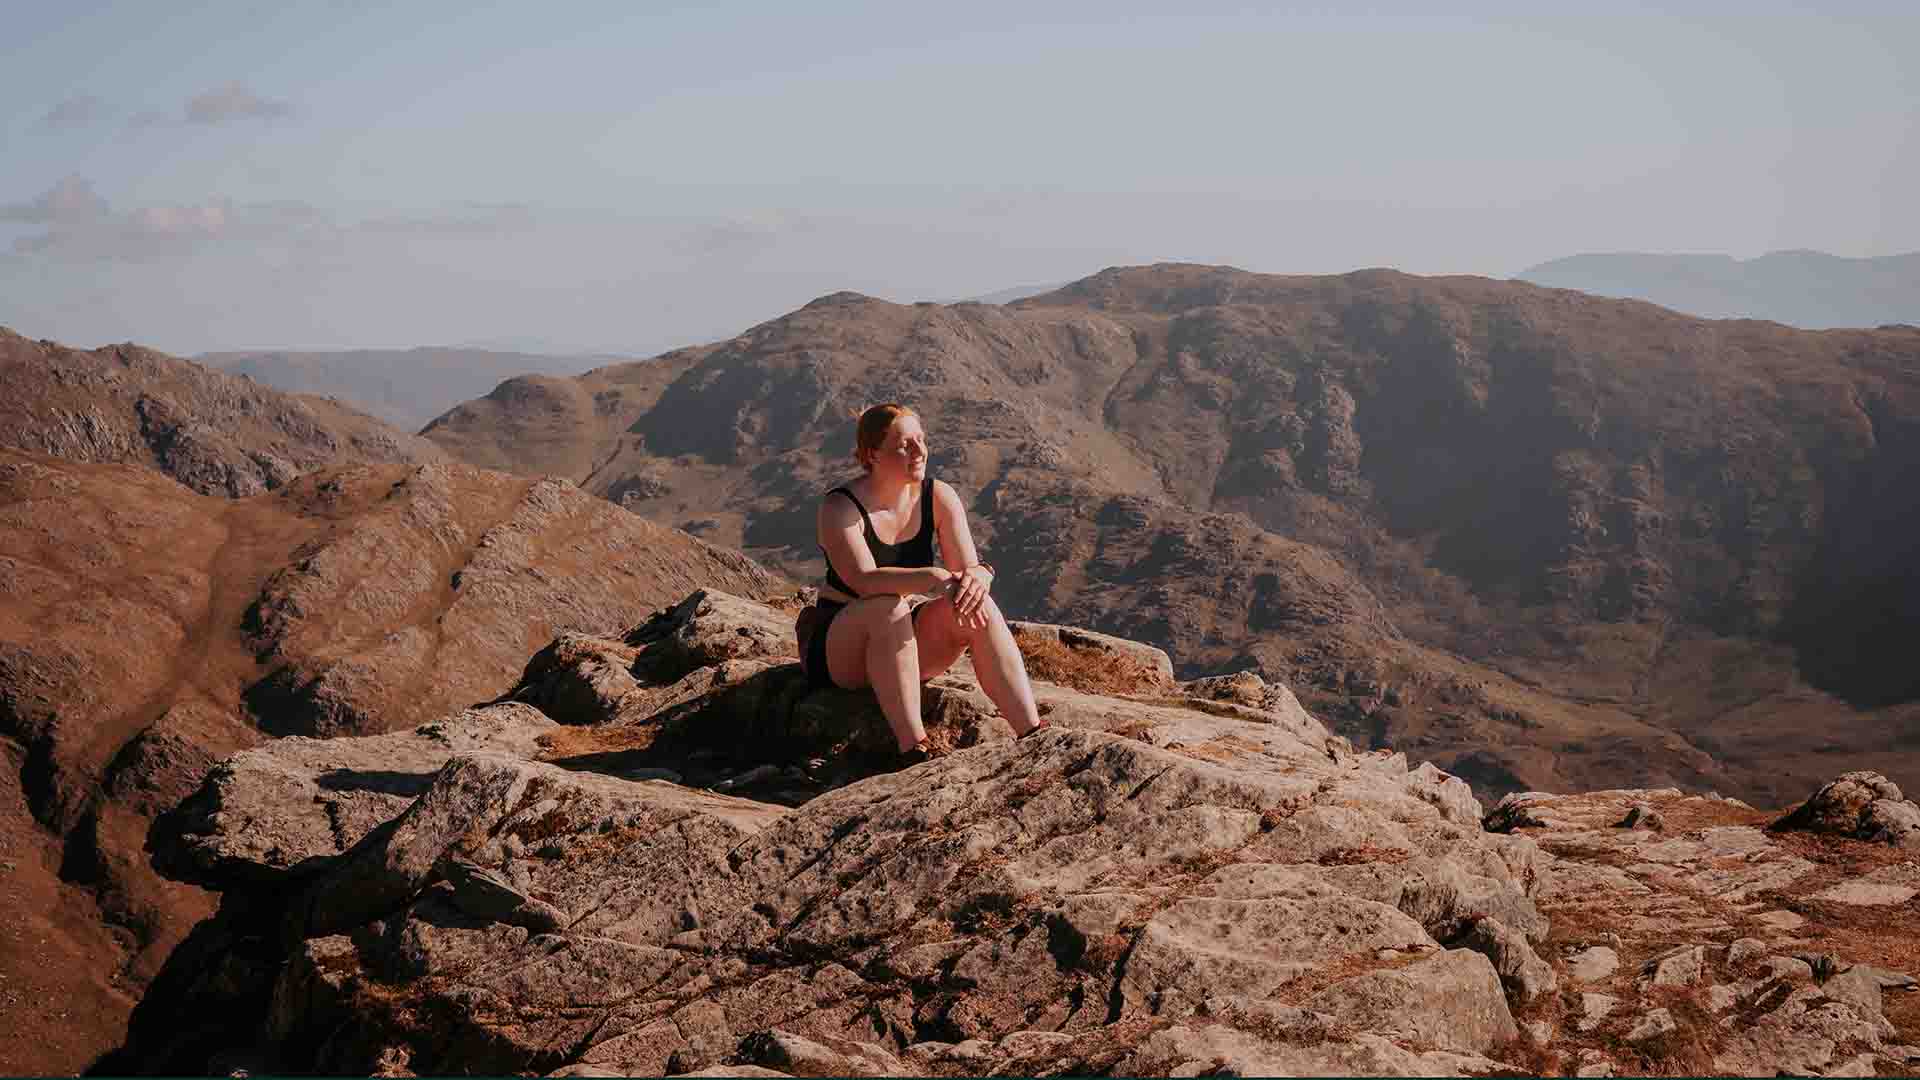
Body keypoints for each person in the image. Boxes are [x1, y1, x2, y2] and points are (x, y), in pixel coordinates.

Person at [796, 402, 1047, 759]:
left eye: (921, 440)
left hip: (903, 643)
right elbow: (863, 581)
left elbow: (964, 572)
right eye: (904, 445)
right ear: (872, 455)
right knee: (886, 607)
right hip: (841, 647)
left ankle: (1031, 732)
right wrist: (931, 578)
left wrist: (980, 576)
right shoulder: (840, 508)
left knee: (975, 602)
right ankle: (914, 748)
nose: (919, 451)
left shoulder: (938, 496)